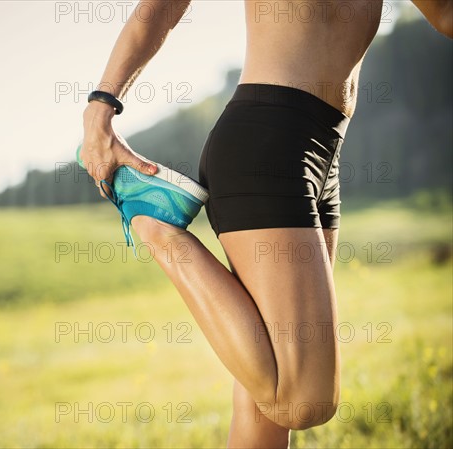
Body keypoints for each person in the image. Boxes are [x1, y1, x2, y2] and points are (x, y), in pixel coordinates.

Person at [79, 1, 453, 447]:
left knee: (266, 410)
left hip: (323, 151)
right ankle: (157, 229)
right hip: (266, 144)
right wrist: (100, 106)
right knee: (302, 399)